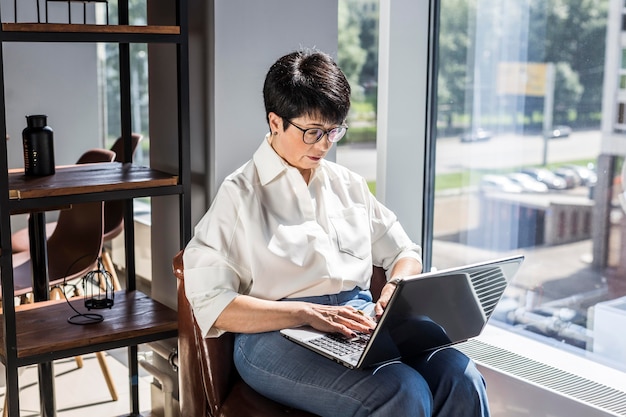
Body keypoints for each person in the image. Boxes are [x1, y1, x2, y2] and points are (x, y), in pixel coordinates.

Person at [183, 49, 491, 417]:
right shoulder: (240, 195)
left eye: (334, 131)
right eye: (313, 132)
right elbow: (212, 305)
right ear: (275, 122)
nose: (325, 144)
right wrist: (307, 313)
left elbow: (403, 251)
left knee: (461, 377)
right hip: (274, 335)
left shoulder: (348, 184)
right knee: (402, 393)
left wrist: (396, 284)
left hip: (356, 322)